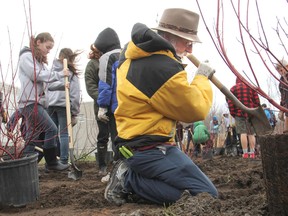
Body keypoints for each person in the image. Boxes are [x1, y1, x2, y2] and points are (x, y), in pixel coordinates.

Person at [104, 8, 218, 206]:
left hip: (142, 143)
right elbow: (195, 109)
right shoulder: (160, 67)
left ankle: (135, 179)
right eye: (187, 42)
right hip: (146, 148)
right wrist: (202, 77)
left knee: (185, 191)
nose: (190, 50)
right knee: (204, 195)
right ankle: (128, 180)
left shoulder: (138, 55)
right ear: (170, 37)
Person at [17, 32, 70, 171]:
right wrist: (59, 74)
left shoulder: (38, 61)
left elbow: (47, 84)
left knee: (32, 136)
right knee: (51, 128)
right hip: (29, 102)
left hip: (34, 103)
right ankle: (51, 162)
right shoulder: (26, 57)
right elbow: (37, 76)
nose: (48, 51)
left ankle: (28, 168)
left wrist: (62, 85)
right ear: (38, 42)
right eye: (47, 47)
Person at [85, 27, 121, 176]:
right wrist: (101, 103)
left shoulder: (109, 58)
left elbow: (108, 84)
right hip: (102, 105)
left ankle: (117, 167)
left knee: (117, 136)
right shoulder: (92, 65)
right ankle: (102, 166)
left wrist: (106, 102)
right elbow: (91, 86)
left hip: (111, 104)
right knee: (103, 136)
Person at [47, 48, 81, 164]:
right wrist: (74, 112)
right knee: (64, 134)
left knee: (52, 133)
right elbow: (75, 94)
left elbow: (47, 86)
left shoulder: (51, 70)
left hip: (50, 105)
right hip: (63, 106)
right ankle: (64, 160)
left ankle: (51, 161)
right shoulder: (70, 72)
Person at [227, 77, 260, 159]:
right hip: (251, 113)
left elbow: (230, 103)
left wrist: (233, 113)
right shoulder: (251, 87)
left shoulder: (233, 89)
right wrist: (254, 111)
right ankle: (252, 153)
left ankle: (245, 153)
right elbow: (257, 102)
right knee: (251, 133)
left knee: (243, 133)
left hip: (239, 113)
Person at [276, 58, 288, 133]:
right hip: (286, 106)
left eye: (281, 70)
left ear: (287, 66)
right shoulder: (281, 81)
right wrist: (281, 109)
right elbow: (282, 96)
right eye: (279, 71)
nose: (280, 73)